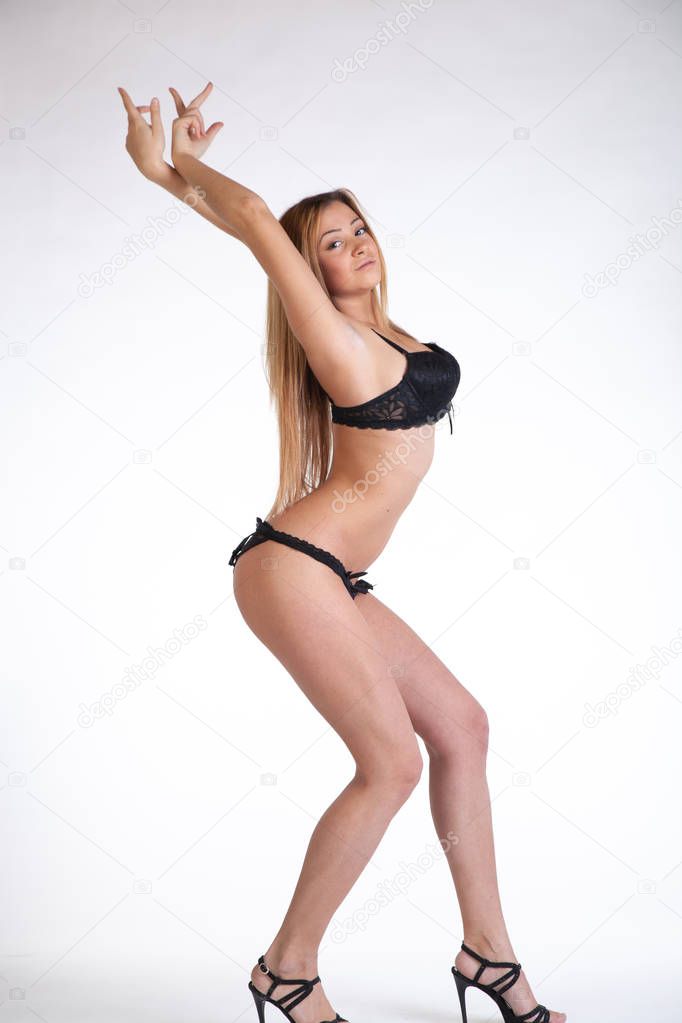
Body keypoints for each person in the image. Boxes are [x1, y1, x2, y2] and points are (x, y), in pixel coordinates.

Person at [118, 81, 566, 1023]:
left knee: (463, 727)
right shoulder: (333, 340)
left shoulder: (383, 328)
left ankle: (488, 951)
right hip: (290, 566)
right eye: (328, 241)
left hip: (334, 575)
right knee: (391, 763)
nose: (354, 243)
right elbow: (251, 220)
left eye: (358, 227)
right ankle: (288, 968)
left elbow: (249, 229)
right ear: (309, 273)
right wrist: (175, 167)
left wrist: (173, 181)